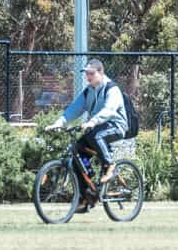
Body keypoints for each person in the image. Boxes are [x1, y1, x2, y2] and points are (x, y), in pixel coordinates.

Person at [46, 59, 128, 212]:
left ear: (100, 73)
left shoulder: (112, 89)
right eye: (86, 74)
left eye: (91, 73)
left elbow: (109, 110)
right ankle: (86, 197)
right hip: (96, 127)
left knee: (96, 135)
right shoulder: (88, 91)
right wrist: (60, 122)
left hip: (116, 126)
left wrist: (92, 121)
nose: (88, 77)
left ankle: (110, 165)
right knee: (77, 152)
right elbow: (74, 109)